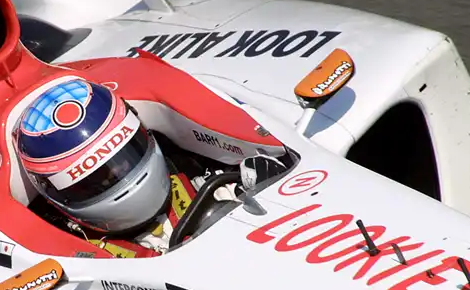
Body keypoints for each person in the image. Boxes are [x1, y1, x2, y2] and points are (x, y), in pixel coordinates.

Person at [15, 77, 288, 257]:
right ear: (54, 194)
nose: (119, 177)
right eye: (96, 181)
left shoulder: (193, 173)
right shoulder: (81, 255)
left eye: (123, 159)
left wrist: (256, 184)